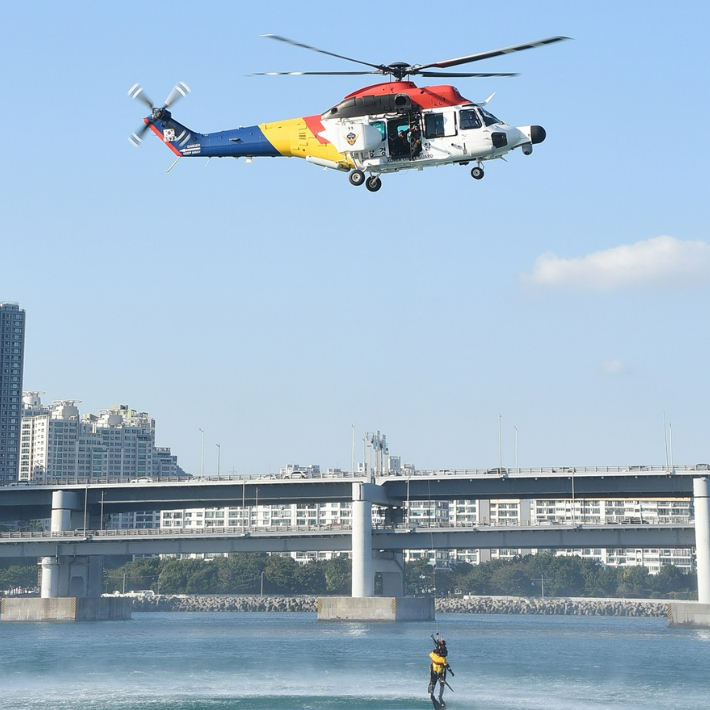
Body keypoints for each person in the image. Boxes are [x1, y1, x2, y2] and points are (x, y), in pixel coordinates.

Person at [428, 636, 454, 705]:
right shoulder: (443, 659)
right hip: (441, 673)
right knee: (441, 684)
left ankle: (431, 694)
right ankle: (440, 696)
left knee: (433, 683)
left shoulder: (433, 656)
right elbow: (447, 666)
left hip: (433, 672)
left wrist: (435, 650)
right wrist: (451, 672)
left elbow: (430, 654)